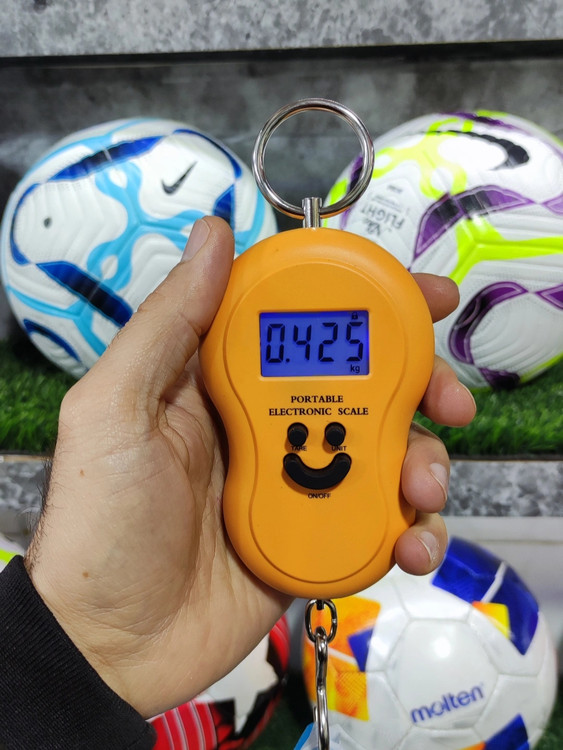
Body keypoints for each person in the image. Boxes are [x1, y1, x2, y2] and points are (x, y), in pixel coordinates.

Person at [0, 216, 476, 749]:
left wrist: (86, 647)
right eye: (290, 345)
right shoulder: (360, 295)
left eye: (340, 344)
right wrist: (91, 638)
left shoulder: (358, 297)